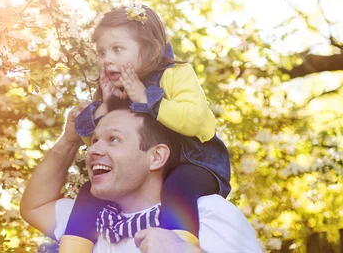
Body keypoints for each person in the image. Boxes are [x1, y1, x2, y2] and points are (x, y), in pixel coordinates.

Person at [63, 4, 231, 251]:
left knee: (178, 187)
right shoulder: (116, 86)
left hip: (195, 164)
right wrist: (106, 106)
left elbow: (193, 119)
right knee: (89, 192)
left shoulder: (176, 74)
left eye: (117, 49)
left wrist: (145, 99)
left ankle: (178, 245)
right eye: (101, 52)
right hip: (148, 170)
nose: (107, 59)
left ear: (148, 49)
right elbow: (100, 143)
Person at [20, 99, 262, 252]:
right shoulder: (89, 221)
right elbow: (34, 206)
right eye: (93, 141)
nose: (93, 150)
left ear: (155, 157)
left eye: (113, 139)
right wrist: (69, 139)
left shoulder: (208, 213)